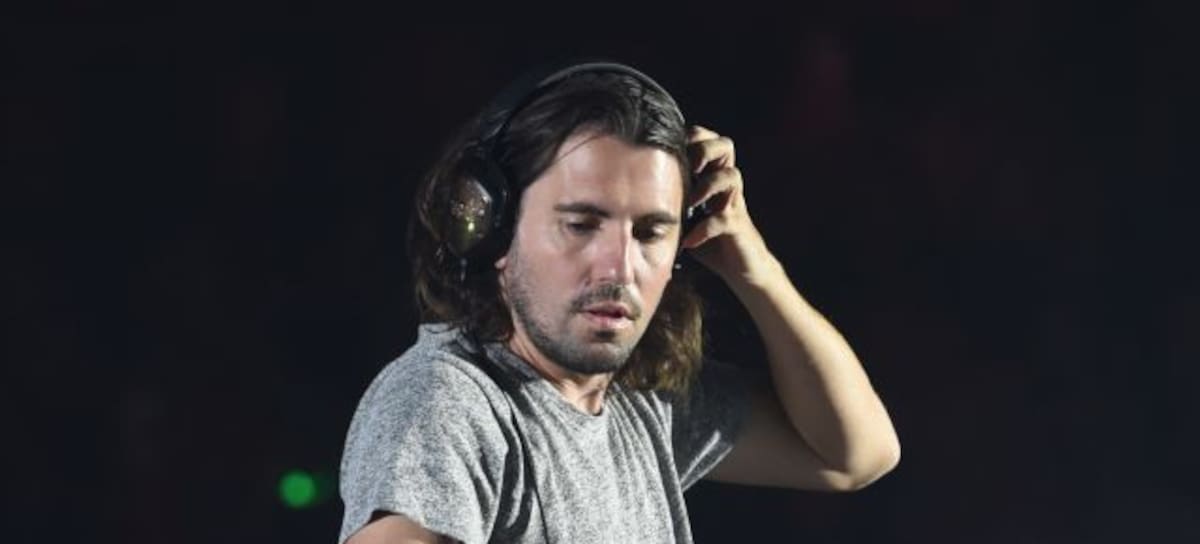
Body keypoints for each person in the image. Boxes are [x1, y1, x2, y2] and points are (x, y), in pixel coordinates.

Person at [336, 59, 900, 544]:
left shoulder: (641, 405)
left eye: (651, 232)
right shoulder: (447, 403)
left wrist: (754, 267)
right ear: (492, 230)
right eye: (582, 224)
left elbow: (856, 454)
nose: (620, 268)